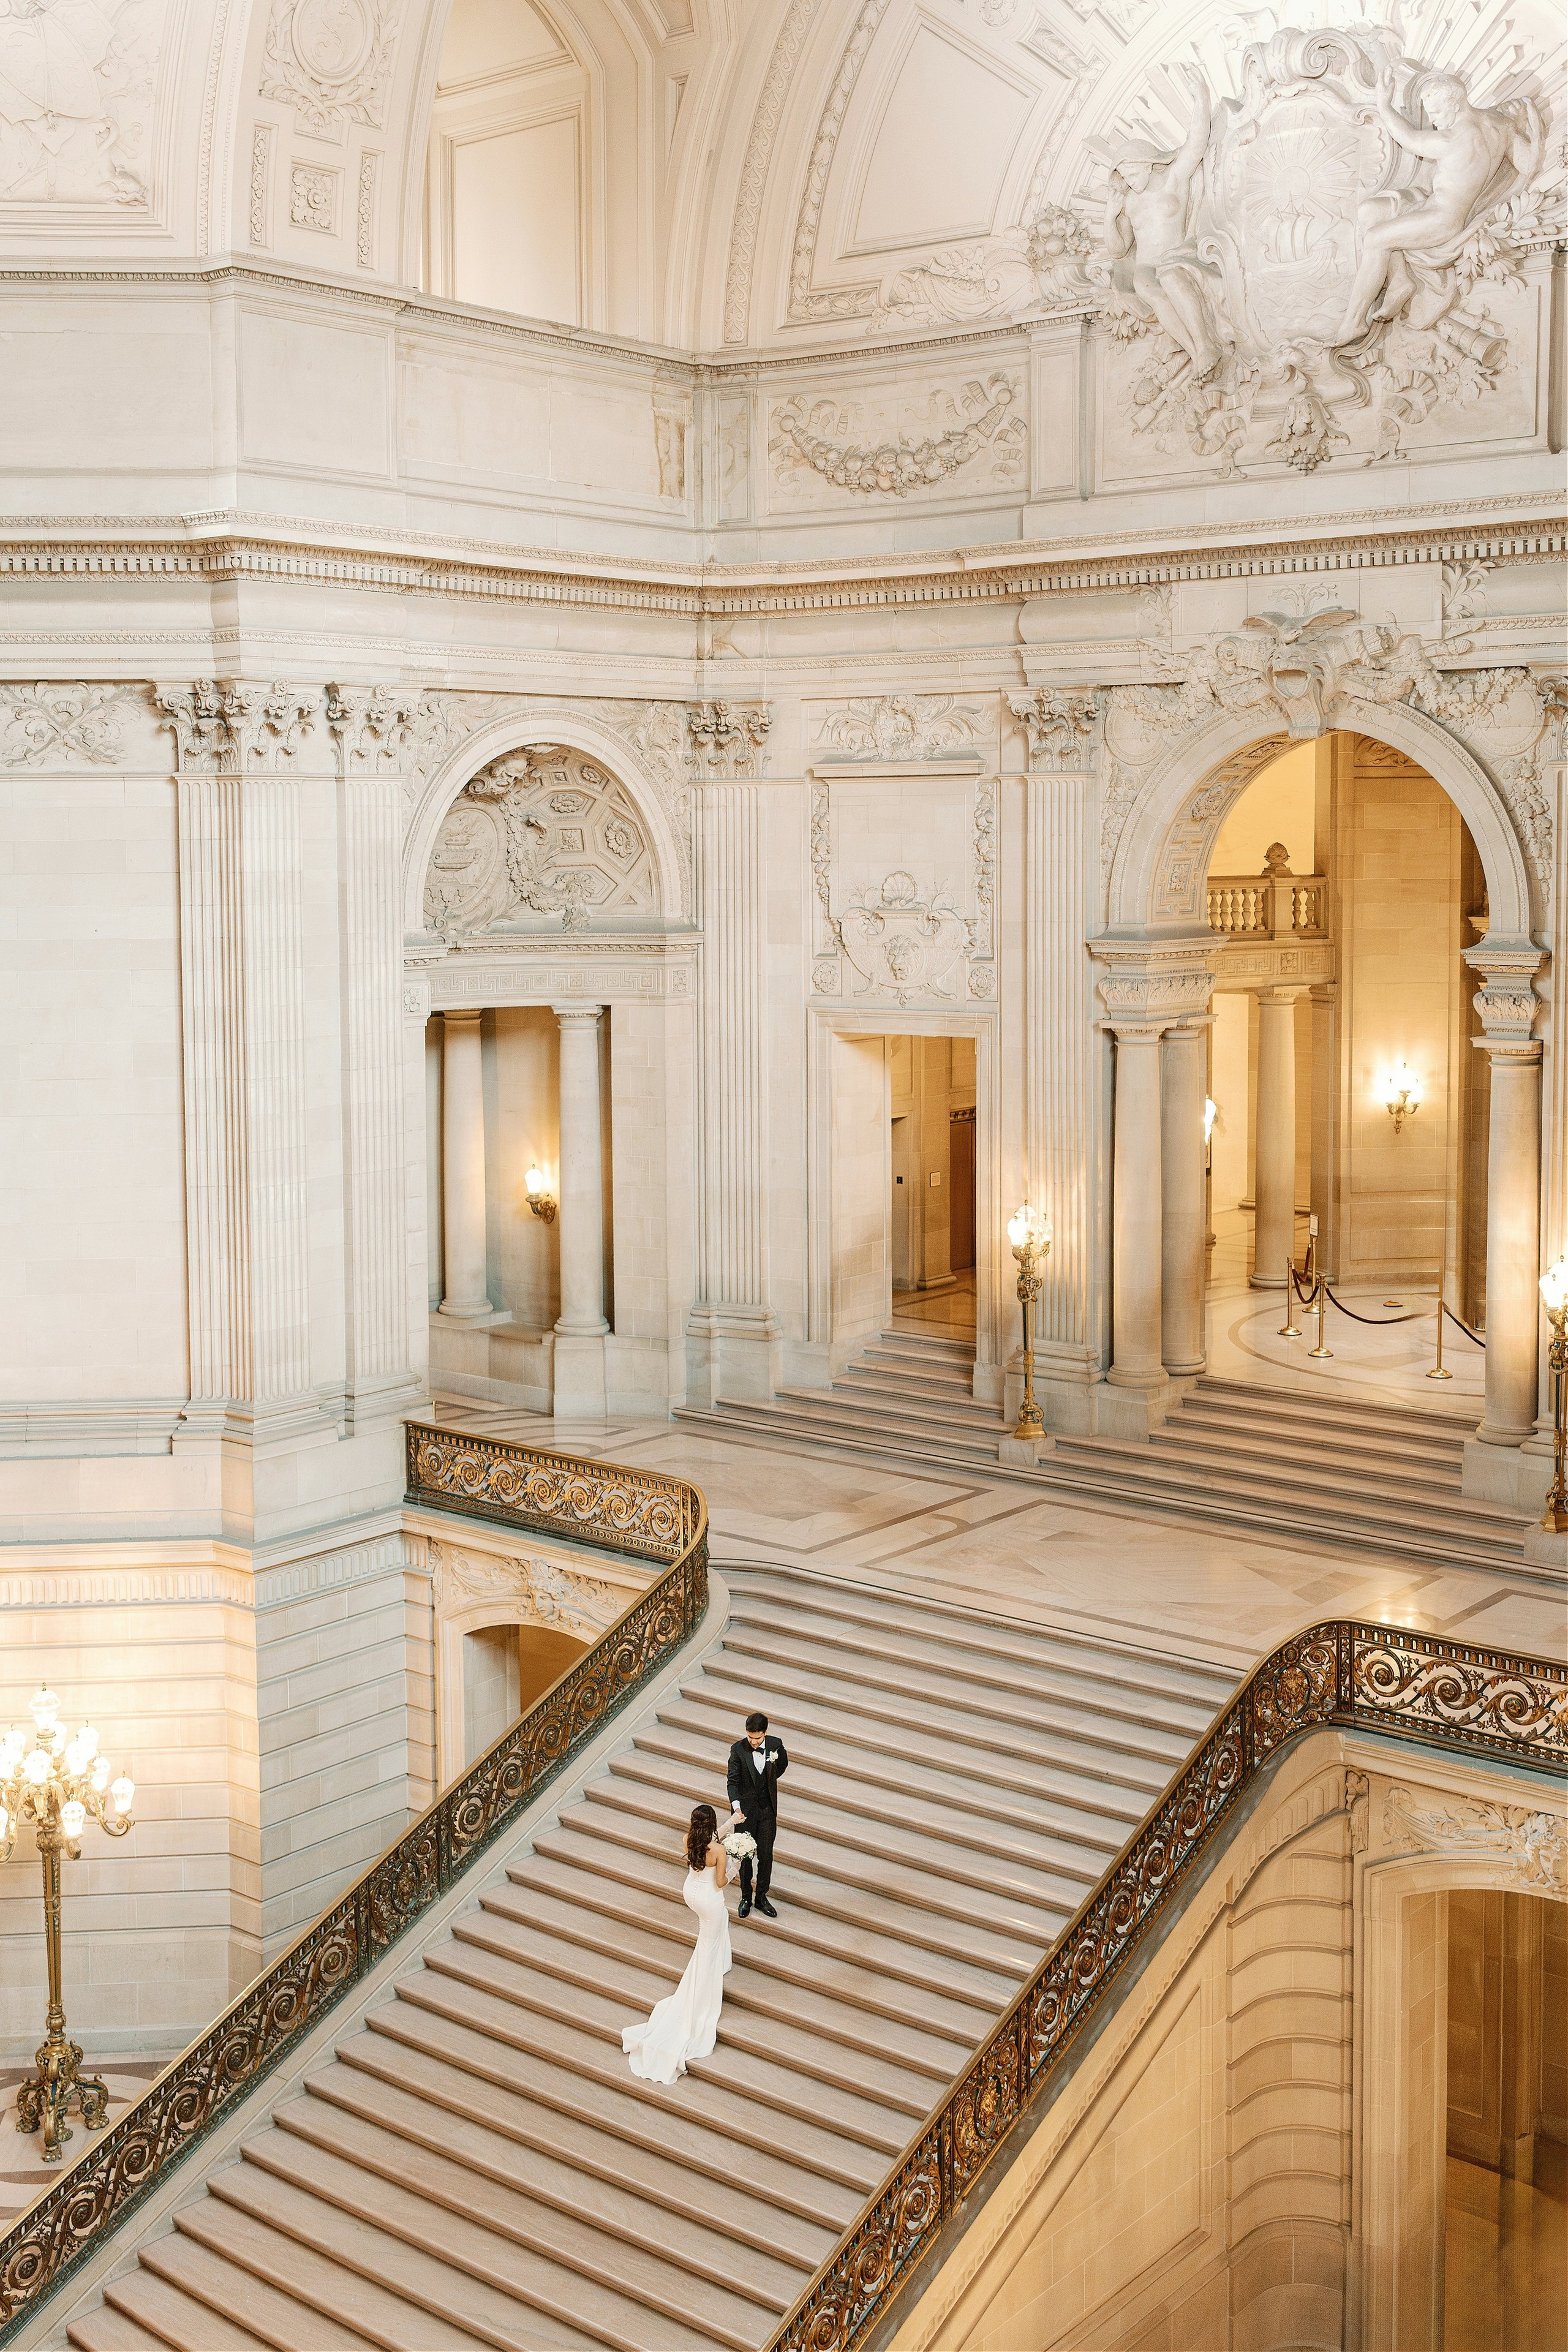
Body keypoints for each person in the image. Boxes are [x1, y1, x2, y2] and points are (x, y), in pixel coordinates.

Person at [621, 1803, 731, 2084]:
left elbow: (709, 1842)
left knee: (715, 1928)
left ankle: (722, 1962)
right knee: (708, 1941)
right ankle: (704, 1985)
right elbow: (721, 1883)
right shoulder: (719, 1851)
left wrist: (732, 1823)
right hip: (709, 1898)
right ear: (712, 1825)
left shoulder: (688, 1839)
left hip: (691, 1892)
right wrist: (736, 1867)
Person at [726, 1709, 788, 1920]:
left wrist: (769, 1780)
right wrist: (737, 1807)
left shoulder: (776, 1745)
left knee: (766, 1855)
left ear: (765, 1733)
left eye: (758, 1738)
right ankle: (746, 1897)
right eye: (750, 1737)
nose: (753, 1742)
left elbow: (782, 1765)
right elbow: (732, 1781)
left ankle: (762, 1897)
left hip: (767, 1810)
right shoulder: (738, 1750)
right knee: (745, 1856)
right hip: (744, 1812)